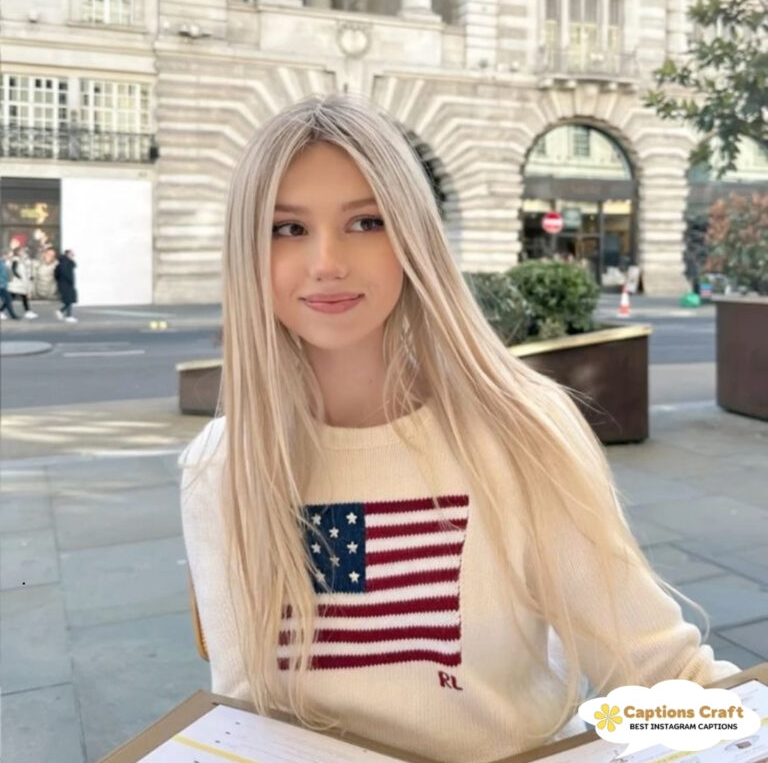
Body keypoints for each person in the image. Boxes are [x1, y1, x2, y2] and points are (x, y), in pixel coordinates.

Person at [177, 94, 740, 763]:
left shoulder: (517, 432)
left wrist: (737, 732)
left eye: (366, 220)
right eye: (287, 229)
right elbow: (244, 721)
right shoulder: (221, 465)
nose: (327, 260)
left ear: (413, 235)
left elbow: (665, 680)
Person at [7, 245, 39, 319]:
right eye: (22, 251)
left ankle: (27, 311)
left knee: (18, 297)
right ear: (18, 252)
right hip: (17, 283)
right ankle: (27, 311)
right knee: (13, 297)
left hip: (20, 283)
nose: (24, 252)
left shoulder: (21, 260)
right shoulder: (16, 260)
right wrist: (20, 277)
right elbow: (14, 269)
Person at [54, 248, 78, 323]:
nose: (73, 255)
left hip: (65, 284)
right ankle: (68, 315)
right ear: (67, 254)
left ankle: (61, 312)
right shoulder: (65, 263)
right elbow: (65, 274)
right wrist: (69, 280)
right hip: (66, 284)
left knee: (69, 301)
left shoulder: (65, 263)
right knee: (69, 300)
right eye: (71, 254)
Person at [0, 250, 20, 320]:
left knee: (7, 300)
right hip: (1, 285)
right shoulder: (1, 263)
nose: (8, 257)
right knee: (8, 299)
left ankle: (9, 314)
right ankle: (13, 315)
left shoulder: (4, 263)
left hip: (3, 285)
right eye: (7, 255)